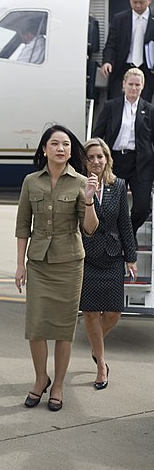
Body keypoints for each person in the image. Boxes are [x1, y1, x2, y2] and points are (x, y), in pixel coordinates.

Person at [15, 125, 98, 412]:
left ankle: (58, 385)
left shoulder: (80, 182)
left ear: (71, 151)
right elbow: (23, 225)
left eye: (65, 144)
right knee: (36, 327)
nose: (60, 149)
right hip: (38, 263)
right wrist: (19, 265)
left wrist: (88, 199)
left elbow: (89, 229)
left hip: (69, 263)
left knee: (63, 329)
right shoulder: (30, 182)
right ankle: (41, 379)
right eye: (54, 144)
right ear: (44, 149)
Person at [80, 138, 137, 390]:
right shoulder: (79, 185)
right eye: (90, 157)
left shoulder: (118, 185)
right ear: (85, 161)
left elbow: (124, 223)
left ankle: (96, 345)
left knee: (114, 312)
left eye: (99, 157)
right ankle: (101, 365)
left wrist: (132, 257)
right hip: (88, 256)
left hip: (113, 256)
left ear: (107, 159)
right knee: (91, 312)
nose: (95, 162)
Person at [93, 67, 154, 242]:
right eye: (131, 84)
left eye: (137, 85)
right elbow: (98, 135)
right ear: (124, 85)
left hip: (141, 163)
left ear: (142, 87)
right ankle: (118, 236)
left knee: (142, 208)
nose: (134, 88)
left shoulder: (149, 110)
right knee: (111, 206)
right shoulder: (110, 106)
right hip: (115, 161)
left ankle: (128, 233)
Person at [101, 0, 154, 100]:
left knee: (143, 110)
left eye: (142, 2)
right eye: (134, 2)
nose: (138, 6)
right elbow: (111, 44)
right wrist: (107, 61)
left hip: (148, 71)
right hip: (123, 68)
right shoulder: (119, 19)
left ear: (150, 0)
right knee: (117, 104)